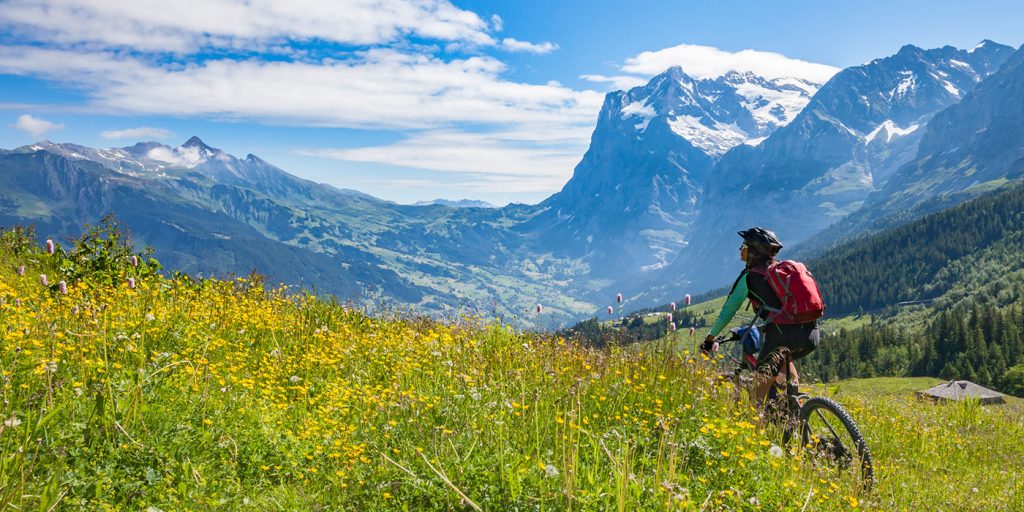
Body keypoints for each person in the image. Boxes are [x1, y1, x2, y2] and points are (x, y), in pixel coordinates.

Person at [700, 227, 820, 408]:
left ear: (753, 251)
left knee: (758, 392)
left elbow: (727, 312)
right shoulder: (782, 271)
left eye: (744, 245)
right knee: (786, 376)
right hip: (811, 334)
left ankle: (760, 429)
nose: (741, 249)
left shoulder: (750, 277)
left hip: (782, 336)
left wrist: (710, 339)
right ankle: (799, 415)